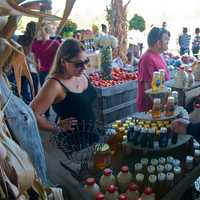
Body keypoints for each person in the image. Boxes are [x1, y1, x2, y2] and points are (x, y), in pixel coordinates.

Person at [31, 38, 97, 136]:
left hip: (92, 134)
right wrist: (56, 127)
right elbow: (32, 114)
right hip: (73, 142)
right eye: (78, 64)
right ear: (63, 62)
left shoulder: (80, 73)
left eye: (86, 61)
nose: (84, 67)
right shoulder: (54, 84)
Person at [136, 27, 170, 112]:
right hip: (151, 109)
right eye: (166, 39)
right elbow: (148, 88)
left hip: (161, 104)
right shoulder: (147, 58)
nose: (168, 42)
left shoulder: (159, 55)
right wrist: (161, 107)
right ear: (158, 43)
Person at [31, 22, 60, 117]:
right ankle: (57, 113)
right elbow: (60, 59)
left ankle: (47, 113)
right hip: (52, 72)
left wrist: (38, 70)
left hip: (44, 72)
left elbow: (35, 60)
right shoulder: (55, 43)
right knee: (55, 93)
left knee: (46, 94)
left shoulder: (35, 44)